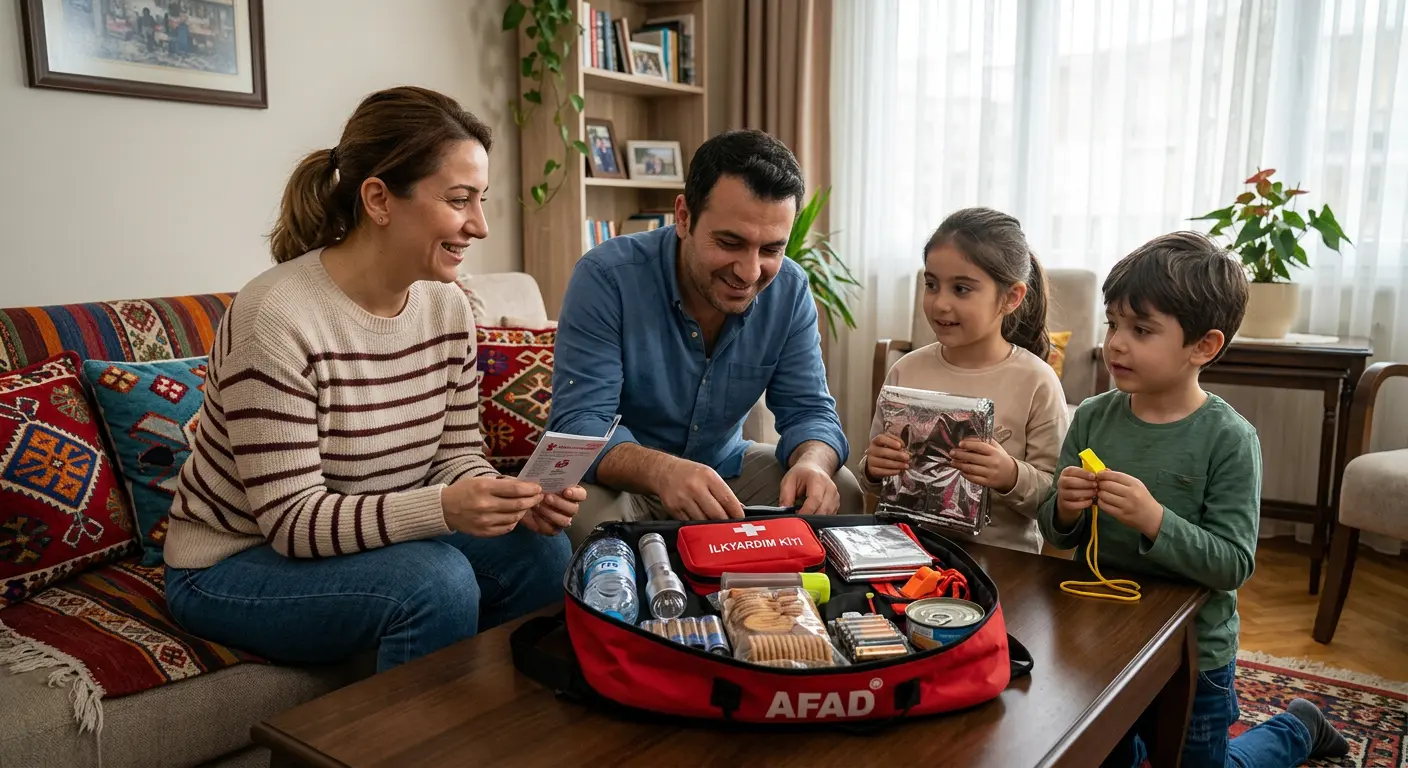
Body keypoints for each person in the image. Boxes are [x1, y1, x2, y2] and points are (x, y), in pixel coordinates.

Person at [162, 86, 580, 673]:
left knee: (542, 551)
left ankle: (498, 719)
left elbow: (455, 454)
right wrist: (445, 509)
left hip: (357, 537)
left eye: (481, 200)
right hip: (232, 563)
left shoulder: (449, 307)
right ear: (380, 199)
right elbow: (291, 522)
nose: (480, 226)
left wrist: (499, 498)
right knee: (435, 582)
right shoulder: (276, 318)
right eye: (459, 200)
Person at [1037, 232, 1348, 767]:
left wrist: (1155, 519)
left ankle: (1298, 727)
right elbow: (1053, 531)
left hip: (1193, 653)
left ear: (1203, 346)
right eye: (1113, 324)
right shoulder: (1090, 417)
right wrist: (1064, 506)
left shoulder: (1230, 439)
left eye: (1141, 330)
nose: (1115, 343)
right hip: (1101, 638)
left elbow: (1232, 564)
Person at [548, 129, 863, 550]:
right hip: (618, 485)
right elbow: (579, 424)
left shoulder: (789, 290)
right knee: (582, 526)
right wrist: (664, 472)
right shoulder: (607, 277)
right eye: (730, 242)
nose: (750, 272)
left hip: (723, 471)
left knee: (841, 490)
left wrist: (814, 462)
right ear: (684, 217)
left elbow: (809, 409)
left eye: (771, 249)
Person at [863, 207, 1068, 554]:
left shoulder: (1037, 382)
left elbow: (1056, 503)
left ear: (1011, 298)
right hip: (908, 552)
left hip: (1002, 562)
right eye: (931, 285)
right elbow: (873, 479)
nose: (940, 303)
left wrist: (1010, 475)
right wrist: (873, 468)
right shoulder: (905, 370)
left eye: (961, 289)